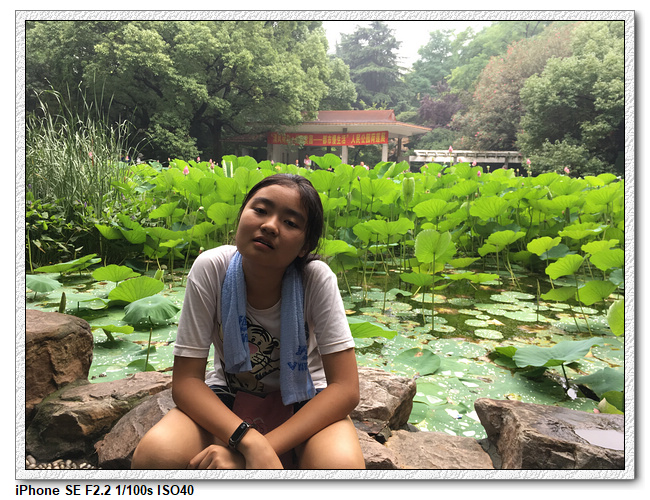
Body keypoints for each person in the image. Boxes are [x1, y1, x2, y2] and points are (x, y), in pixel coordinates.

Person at [131, 174, 365, 470]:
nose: (270, 226)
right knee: (156, 456)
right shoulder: (212, 268)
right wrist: (248, 442)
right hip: (230, 394)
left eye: (290, 223)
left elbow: (345, 388)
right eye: (261, 210)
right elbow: (187, 381)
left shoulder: (315, 279)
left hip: (306, 397)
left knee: (341, 470)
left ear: (305, 246)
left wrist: (260, 452)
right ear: (241, 215)